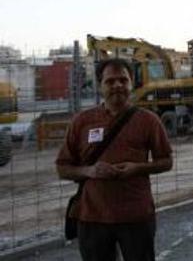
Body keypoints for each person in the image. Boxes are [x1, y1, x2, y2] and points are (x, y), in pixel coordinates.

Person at [56, 58, 173, 261]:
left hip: (136, 216)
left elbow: (166, 161)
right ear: (99, 85)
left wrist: (136, 168)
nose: (117, 85)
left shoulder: (148, 120)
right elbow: (62, 168)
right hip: (92, 218)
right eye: (110, 81)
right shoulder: (82, 121)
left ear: (131, 84)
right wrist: (89, 171)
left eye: (123, 80)